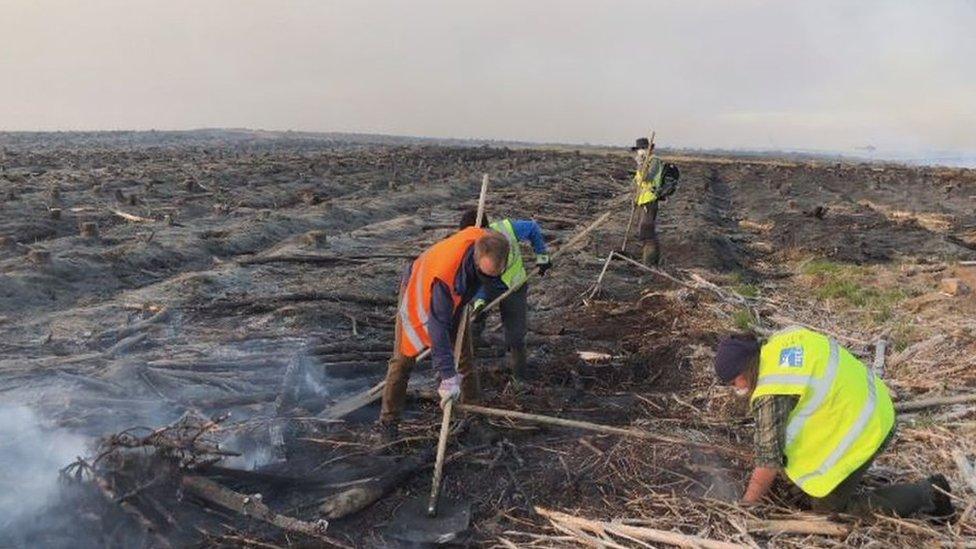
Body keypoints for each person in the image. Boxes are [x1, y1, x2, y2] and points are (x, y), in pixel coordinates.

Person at [713, 328, 954, 519]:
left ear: (746, 369)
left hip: (869, 425)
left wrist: (747, 506)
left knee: (830, 509)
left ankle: (928, 494)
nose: (737, 388)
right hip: (871, 400)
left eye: (735, 382)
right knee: (797, 482)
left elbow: (768, 458)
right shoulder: (782, 342)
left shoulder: (771, 391)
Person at [377, 227, 509, 442]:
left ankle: (474, 417)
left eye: (494, 274)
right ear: (476, 259)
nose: (488, 277)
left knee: (465, 356)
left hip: (457, 296)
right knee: (402, 361)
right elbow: (438, 328)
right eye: (484, 273)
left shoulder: (493, 242)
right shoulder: (445, 277)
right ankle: (388, 424)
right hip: (419, 289)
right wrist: (448, 377)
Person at [458, 209, 551, 380]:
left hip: (514, 287)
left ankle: (520, 380)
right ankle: (467, 375)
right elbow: (473, 281)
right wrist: (479, 303)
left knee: (516, 338)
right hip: (485, 287)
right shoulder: (467, 246)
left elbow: (532, 228)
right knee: (472, 328)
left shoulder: (507, 229)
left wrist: (542, 257)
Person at [630, 137, 679, 266]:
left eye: (643, 149)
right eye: (639, 149)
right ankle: (649, 261)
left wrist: (641, 163)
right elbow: (638, 183)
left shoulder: (654, 161)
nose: (641, 152)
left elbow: (646, 178)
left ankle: (649, 263)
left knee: (647, 232)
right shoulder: (644, 162)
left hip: (650, 201)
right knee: (644, 232)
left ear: (650, 149)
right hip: (642, 201)